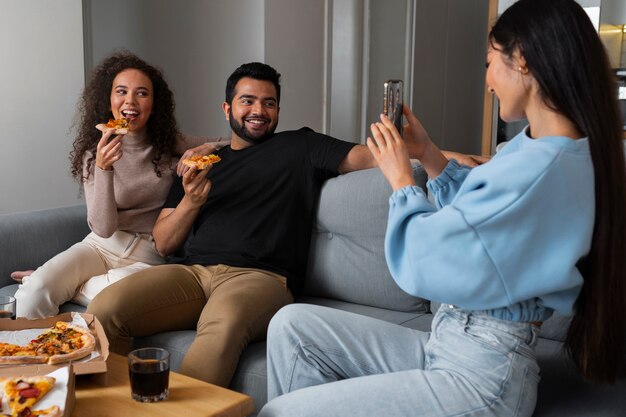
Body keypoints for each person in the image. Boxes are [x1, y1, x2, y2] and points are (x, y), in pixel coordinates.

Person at [257, 1, 626, 416]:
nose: (488, 82)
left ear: (521, 58)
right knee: (293, 327)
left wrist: (400, 178)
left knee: (280, 413)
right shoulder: (543, 150)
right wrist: (427, 153)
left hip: (481, 377)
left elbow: (428, 259)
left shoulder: (545, 167)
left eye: (489, 63)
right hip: (454, 344)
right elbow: (485, 211)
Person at [86, 61, 486, 388]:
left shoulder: (301, 146)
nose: (258, 110)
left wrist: (453, 157)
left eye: (269, 103)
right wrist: (191, 200)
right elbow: (164, 241)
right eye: (247, 101)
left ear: (278, 110)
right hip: (192, 274)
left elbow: (370, 157)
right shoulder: (200, 162)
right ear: (227, 109)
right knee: (106, 309)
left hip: (260, 279)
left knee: (220, 328)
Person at [14, 51, 227, 319]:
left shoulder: (168, 143)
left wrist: (207, 146)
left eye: (142, 93)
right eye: (121, 92)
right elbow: (103, 229)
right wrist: (104, 168)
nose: (130, 101)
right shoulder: (94, 153)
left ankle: (56, 283)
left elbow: (231, 143)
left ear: (154, 103)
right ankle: (42, 296)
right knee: (32, 297)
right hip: (100, 246)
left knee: (112, 298)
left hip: (149, 256)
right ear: (110, 99)